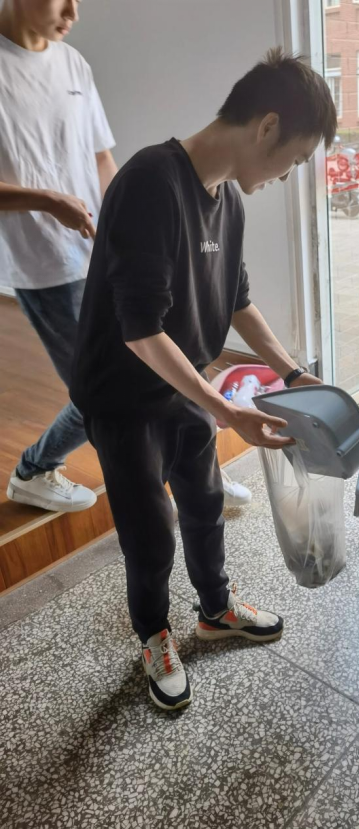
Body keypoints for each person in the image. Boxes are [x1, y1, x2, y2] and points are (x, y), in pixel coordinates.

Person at [70, 49, 336, 711]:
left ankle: (215, 609)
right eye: (295, 159)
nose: (286, 175)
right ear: (268, 126)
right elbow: (139, 331)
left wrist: (291, 370)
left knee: (204, 499)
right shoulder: (150, 182)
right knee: (150, 528)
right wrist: (226, 408)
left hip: (182, 379)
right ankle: (154, 634)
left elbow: (238, 301)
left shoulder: (229, 202)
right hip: (123, 394)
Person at [0, 0, 117, 513]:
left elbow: (101, 156)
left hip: (99, 250)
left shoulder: (73, 64)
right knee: (100, 389)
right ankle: (33, 470)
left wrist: (123, 224)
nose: (73, 11)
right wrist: (47, 200)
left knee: (129, 371)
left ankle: (185, 469)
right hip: (42, 265)